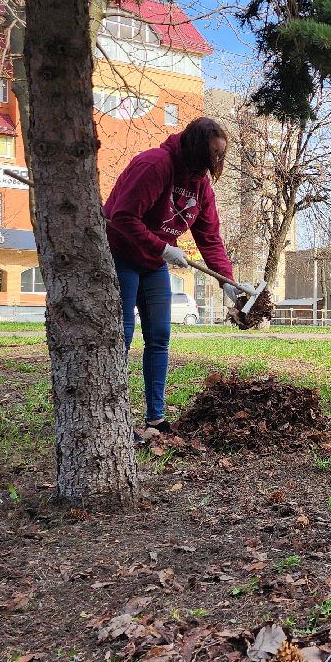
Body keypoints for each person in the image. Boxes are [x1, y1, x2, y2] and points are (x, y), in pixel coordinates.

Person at [105, 116, 245, 442]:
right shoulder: (154, 165)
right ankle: (115, 419)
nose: (217, 162)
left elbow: (209, 237)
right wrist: (164, 248)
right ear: (196, 148)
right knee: (121, 336)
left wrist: (227, 282)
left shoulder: (201, 186)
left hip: (153, 263)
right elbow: (121, 217)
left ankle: (155, 419)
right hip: (121, 254)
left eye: (221, 156)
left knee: (159, 335)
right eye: (214, 154)